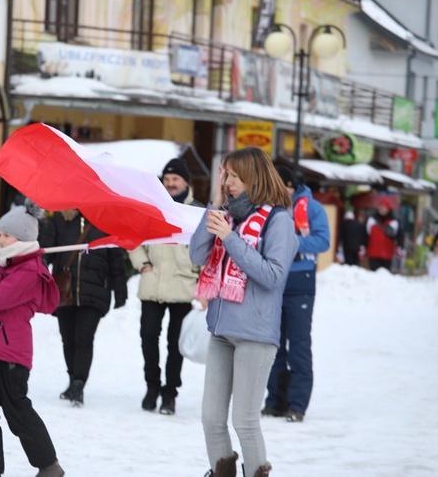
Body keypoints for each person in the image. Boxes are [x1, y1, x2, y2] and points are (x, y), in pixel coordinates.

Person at [189, 147, 297, 477]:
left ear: (254, 178)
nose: (230, 182)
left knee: (245, 422)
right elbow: (196, 254)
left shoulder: (279, 221)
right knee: (211, 418)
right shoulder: (228, 214)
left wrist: (232, 239)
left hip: (255, 334)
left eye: (235, 176)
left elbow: (273, 277)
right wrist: (214, 206)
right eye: (227, 175)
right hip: (221, 330)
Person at [0, 200, 65, 477]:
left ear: (21, 238)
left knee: (17, 412)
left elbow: (0, 297)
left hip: (11, 352)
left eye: (6, 235)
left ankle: (49, 466)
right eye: (0, 234)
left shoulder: (30, 271)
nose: (0, 240)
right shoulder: (8, 266)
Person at [128, 157, 202, 415]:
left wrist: (201, 278)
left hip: (184, 285)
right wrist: (142, 264)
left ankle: (170, 393)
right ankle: (152, 386)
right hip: (153, 283)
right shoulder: (152, 208)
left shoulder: (197, 213)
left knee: (175, 343)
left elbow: (208, 249)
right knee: (148, 336)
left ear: (185, 183)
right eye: (167, 179)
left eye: (175, 179)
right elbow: (133, 238)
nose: (170, 184)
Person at [262, 166, 330, 424]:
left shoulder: (312, 208)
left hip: (301, 281)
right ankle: (274, 402)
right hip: (272, 279)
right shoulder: (266, 208)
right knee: (272, 343)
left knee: (299, 344)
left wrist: (288, 241)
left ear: (291, 186)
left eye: (282, 186)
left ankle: (297, 405)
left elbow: (323, 241)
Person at [40, 209, 128, 407]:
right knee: (68, 338)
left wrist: (120, 291)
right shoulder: (60, 220)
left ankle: (79, 382)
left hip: (95, 290)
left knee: (84, 337)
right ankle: (73, 378)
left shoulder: (105, 221)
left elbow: (115, 259)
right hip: (64, 290)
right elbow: (45, 250)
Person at [365, 197, 402, 271]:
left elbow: (400, 236)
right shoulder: (371, 220)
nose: (381, 208)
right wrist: (363, 248)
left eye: (384, 207)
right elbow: (365, 235)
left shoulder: (394, 222)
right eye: (380, 206)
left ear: (388, 208)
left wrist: (399, 248)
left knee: (385, 277)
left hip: (387, 255)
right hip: (373, 254)